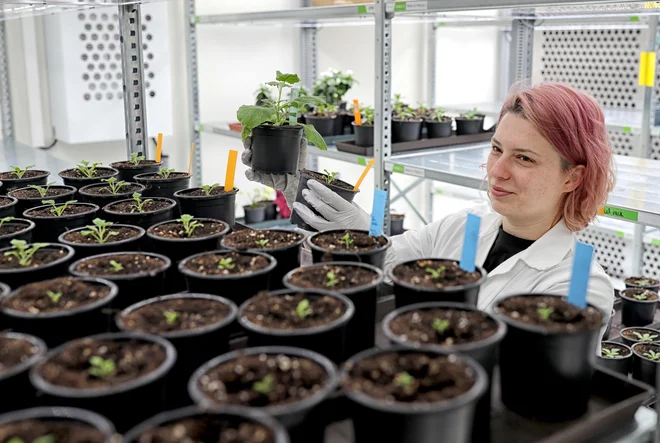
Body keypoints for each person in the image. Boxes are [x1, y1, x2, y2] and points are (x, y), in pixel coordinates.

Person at [241, 83, 616, 318]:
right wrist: (306, 199)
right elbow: (386, 260)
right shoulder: (466, 225)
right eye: (497, 149)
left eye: (524, 158)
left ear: (573, 176)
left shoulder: (578, 284)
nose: (498, 171)